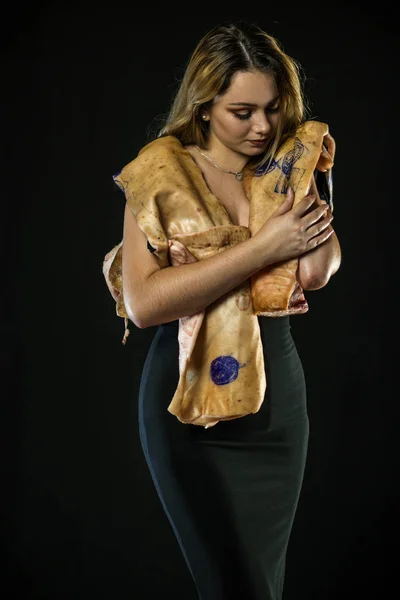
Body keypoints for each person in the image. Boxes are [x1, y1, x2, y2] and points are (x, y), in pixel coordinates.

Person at [103, 21, 341, 600]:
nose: (262, 126)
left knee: (266, 583)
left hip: (277, 400)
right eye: (242, 111)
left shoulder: (287, 165)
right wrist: (262, 249)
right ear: (205, 107)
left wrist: (309, 182)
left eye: (273, 108)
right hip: (187, 404)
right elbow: (144, 302)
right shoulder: (159, 171)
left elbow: (313, 271)